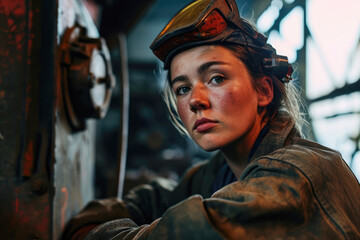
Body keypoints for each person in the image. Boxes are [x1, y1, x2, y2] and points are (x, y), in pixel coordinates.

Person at [62, 0, 360, 239]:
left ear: (264, 91)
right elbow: (152, 201)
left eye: (216, 78)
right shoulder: (223, 169)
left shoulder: (298, 175)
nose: (195, 100)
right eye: (182, 88)